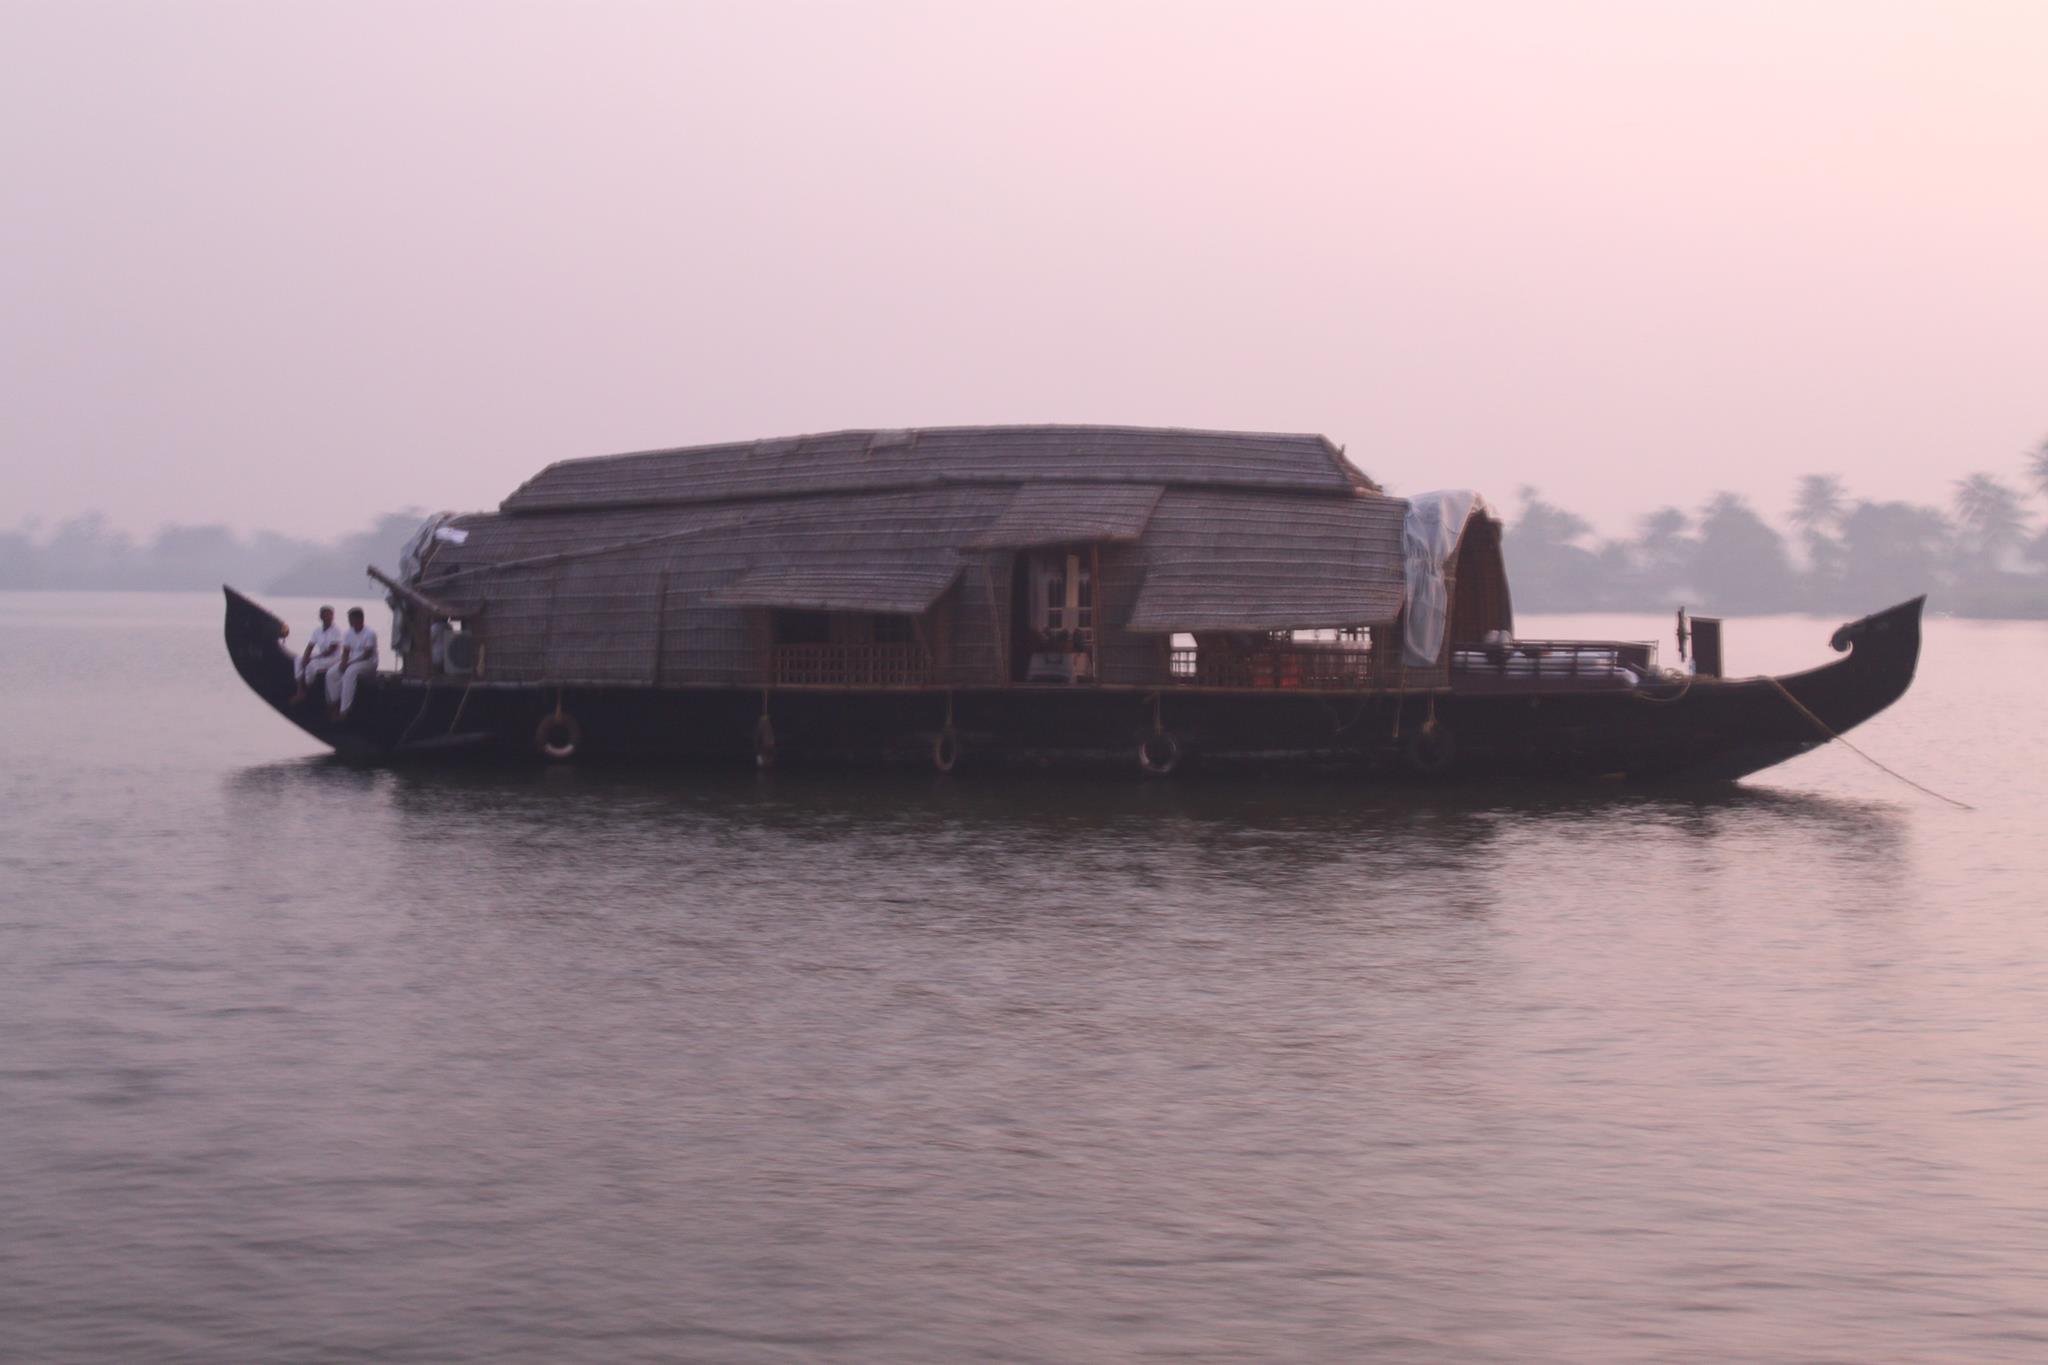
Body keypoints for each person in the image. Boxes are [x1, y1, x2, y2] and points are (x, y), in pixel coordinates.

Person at [327, 607, 380, 720]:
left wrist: (349, 664)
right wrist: (343, 663)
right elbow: (346, 651)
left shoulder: (370, 633)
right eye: (349, 619)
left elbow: (367, 654)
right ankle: (334, 703)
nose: (350, 622)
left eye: (352, 619)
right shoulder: (348, 633)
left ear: (360, 619)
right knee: (331, 673)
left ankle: (344, 710)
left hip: (368, 662)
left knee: (350, 673)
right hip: (352, 661)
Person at [289, 606, 343, 703]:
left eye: (331, 615)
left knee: (311, 665)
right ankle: (300, 690)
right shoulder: (317, 630)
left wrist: (312, 658)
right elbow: (310, 646)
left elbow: (332, 649)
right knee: (298, 659)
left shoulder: (336, 630)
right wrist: (305, 657)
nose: (330, 617)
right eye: (327, 615)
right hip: (321, 656)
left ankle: (308, 689)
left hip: (334, 658)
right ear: (321, 617)